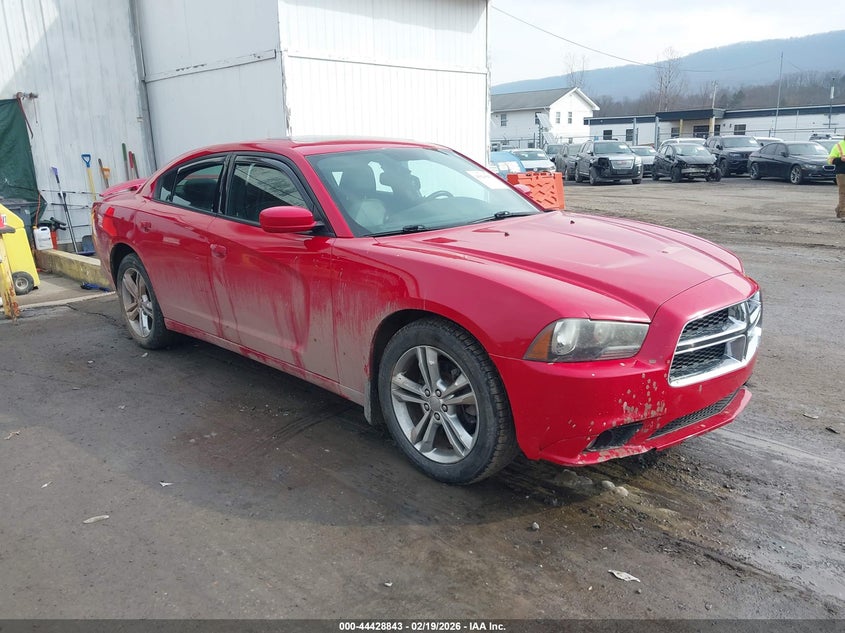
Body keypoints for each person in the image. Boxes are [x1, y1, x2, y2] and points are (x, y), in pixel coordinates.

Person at [828, 138, 845, 219]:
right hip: (842, 173)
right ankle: (843, 214)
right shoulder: (839, 145)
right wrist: (840, 159)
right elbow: (830, 160)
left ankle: (839, 209)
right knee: (843, 193)